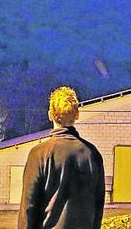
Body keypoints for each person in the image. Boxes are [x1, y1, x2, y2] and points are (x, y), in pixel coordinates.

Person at [18, 86, 105, 229]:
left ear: (50, 115)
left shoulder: (39, 154)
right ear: (77, 114)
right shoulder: (93, 154)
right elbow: (98, 206)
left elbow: (29, 208)